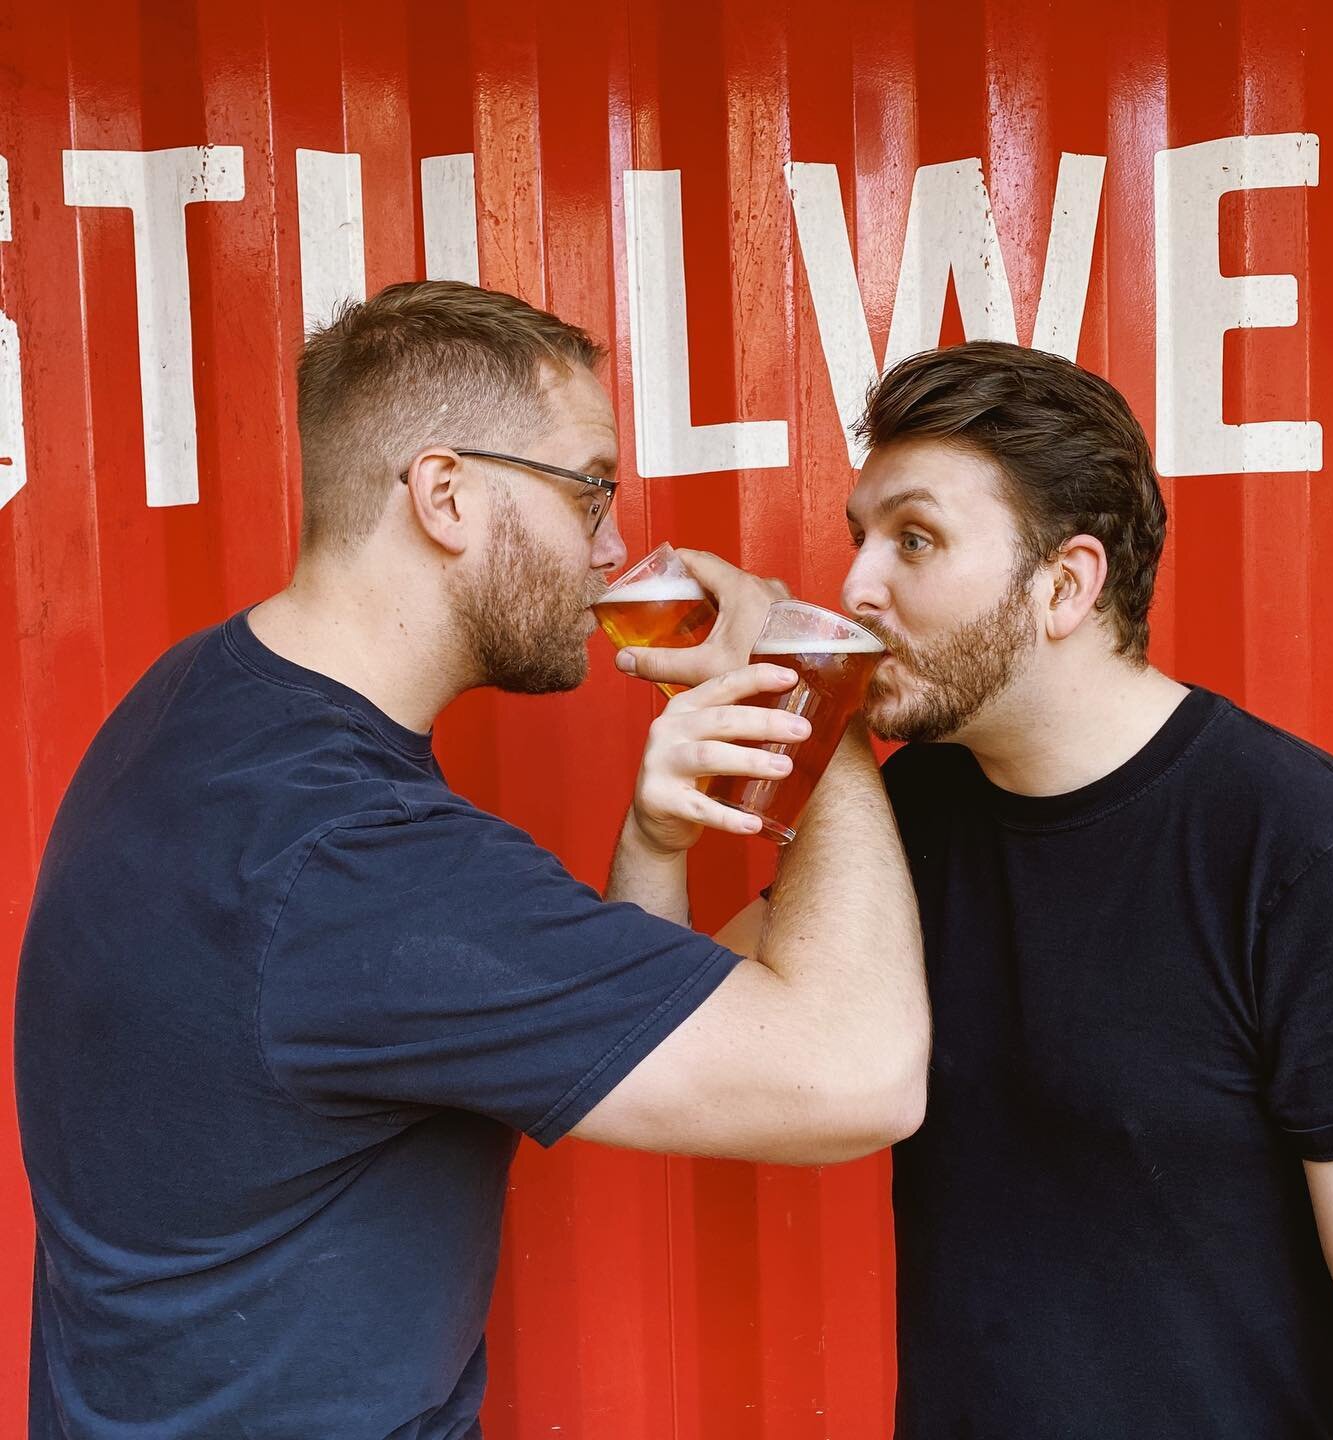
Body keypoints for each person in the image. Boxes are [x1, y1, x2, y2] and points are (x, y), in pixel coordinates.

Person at [13, 281, 928, 1440]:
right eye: (589, 489)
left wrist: (653, 843)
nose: (611, 549)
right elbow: (860, 1078)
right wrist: (815, 686)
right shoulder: (358, 861)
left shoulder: (204, 704)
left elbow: (606, 1026)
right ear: (445, 494)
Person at [626, 342, 1333, 1439]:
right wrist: (657, 838)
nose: (856, 585)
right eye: (860, 538)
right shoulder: (908, 817)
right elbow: (675, 1052)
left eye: (914, 539)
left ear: (1066, 585)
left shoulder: (1308, 859)